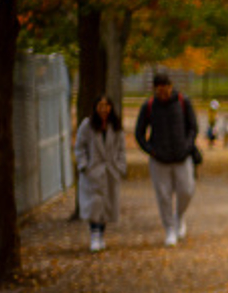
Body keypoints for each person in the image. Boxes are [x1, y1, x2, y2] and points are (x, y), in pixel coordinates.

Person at [135, 72, 198, 247]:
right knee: (163, 196)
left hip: (181, 157)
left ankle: (180, 216)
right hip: (159, 160)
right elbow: (139, 133)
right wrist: (151, 151)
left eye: (166, 89)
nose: (163, 94)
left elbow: (193, 127)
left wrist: (187, 147)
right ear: (155, 90)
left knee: (186, 190)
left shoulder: (183, 102)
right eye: (159, 91)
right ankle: (169, 228)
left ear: (171, 87)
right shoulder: (148, 106)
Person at [74, 94, 126, 252]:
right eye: (101, 105)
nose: (104, 109)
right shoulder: (87, 125)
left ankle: (101, 234)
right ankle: (94, 235)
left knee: (106, 205)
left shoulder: (115, 126)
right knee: (94, 204)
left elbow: (121, 149)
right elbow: (79, 146)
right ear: (96, 107)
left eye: (107, 105)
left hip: (110, 171)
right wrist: (83, 165)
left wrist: (120, 166)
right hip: (93, 171)